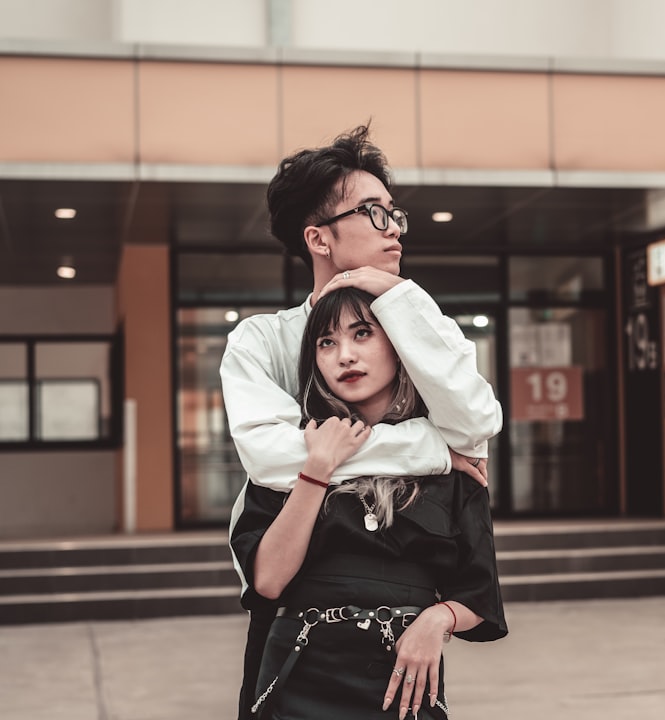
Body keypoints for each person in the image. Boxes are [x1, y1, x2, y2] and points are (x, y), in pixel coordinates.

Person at [221, 125, 503, 718]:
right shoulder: (262, 341)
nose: (394, 227)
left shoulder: (420, 327)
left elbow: (477, 423)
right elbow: (274, 459)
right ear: (318, 238)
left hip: (398, 654)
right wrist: (430, 449)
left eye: (394, 213)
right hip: (298, 636)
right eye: (373, 213)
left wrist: (397, 299)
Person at [231, 287, 507, 720]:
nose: (344, 355)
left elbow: (479, 595)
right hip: (301, 672)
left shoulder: (449, 462)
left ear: (399, 347)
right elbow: (268, 581)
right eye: (327, 342)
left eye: (362, 334)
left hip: (405, 681)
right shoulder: (286, 457)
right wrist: (316, 469)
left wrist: (437, 621)